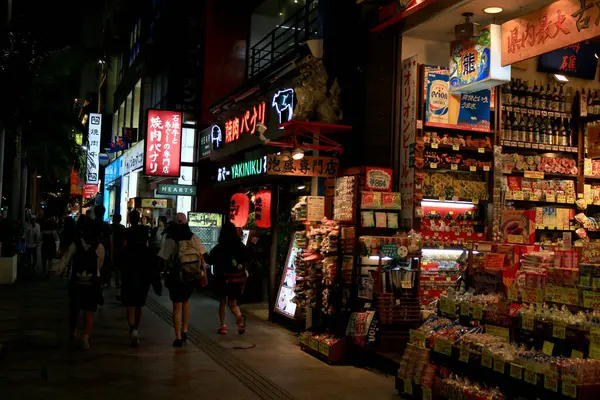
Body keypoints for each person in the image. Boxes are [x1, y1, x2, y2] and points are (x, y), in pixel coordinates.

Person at [158, 213, 207, 347]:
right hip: (191, 276)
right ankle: (185, 330)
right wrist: (205, 275)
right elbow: (202, 257)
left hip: (175, 276)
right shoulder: (193, 237)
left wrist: (163, 273)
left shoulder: (170, 238)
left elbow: (164, 259)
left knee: (177, 306)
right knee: (185, 302)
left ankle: (178, 336)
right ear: (186, 223)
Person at [60, 215, 106, 350]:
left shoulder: (76, 244)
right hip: (92, 283)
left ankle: (73, 331)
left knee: (74, 309)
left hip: (76, 282)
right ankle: (86, 337)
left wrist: (57, 269)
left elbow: (66, 260)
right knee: (89, 311)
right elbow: (100, 266)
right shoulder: (99, 247)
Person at [204, 221, 248, 335]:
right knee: (233, 303)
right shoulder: (240, 246)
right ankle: (240, 319)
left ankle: (223, 326)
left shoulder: (220, 247)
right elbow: (247, 259)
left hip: (223, 279)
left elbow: (210, 260)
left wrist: (202, 253)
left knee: (222, 302)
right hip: (236, 279)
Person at [121, 210, 152, 348]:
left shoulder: (126, 234)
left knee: (130, 304)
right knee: (139, 303)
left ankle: (131, 328)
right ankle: (136, 328)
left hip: (129, 273)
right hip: (142, 274)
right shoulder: (144, 235)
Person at [111, 214, 126, 288]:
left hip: (112, 248)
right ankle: (117, 282)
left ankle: (108, 281)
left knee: (111, 265)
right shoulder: (122, 227)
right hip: (120, 248)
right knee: (119, 266)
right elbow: (124, 240)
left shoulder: (110, 227)